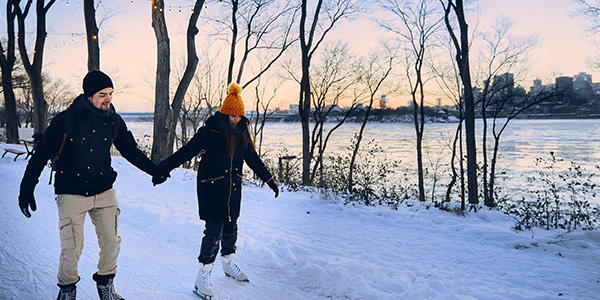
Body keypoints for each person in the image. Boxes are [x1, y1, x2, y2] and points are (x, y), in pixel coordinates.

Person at [18, 70, 158, 300]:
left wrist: (154, 170)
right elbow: (41, 154)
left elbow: (131, 150)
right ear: (89, 95)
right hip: (71, 191)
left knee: (111, 242)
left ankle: (105, 285)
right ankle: (67, 289)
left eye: (111, 93)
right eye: (103, 94)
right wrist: (26, 189)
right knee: (72, 247)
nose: (108, 99)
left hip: (103, 190)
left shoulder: (113, 120)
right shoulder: (66, 119)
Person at [152, 83, 279, 299]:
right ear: (224, 114)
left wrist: (270, 180)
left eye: (239, 115)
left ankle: (228, 262)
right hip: (211, 188)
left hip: (233, 188)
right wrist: (162, 169)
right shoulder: (208, 132)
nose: (236, 119)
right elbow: (185, 152)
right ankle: (203, 274)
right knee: (214, 230)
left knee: (231, 226)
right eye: (232, 116)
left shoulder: (242, 134)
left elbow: (253, 159)